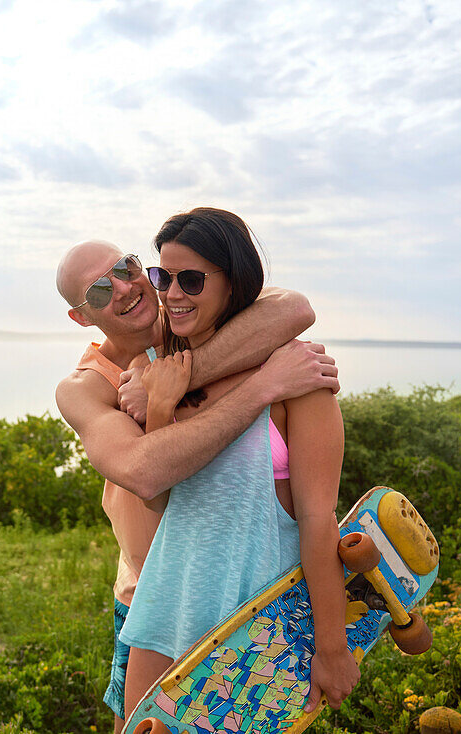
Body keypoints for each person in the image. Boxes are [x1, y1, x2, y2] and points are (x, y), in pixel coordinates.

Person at [54, 239, 340, 734]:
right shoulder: (86, 387)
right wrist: (259, 387)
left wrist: (172, 381)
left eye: (126, 267)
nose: (124, 287)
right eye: (99, 291)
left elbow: (294, 308)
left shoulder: (188, 317)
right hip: (150, 592)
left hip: (244, 593)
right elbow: (147, 474)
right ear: (82, 317)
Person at [117, 207, 360, 722]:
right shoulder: (163, 374)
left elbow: (319, 520)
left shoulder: (297, 376)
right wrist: (161, 406)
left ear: (234, 284)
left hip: (253, 622)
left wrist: (332, 646)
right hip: (167, 604)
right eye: (164, 277)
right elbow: (159, 500)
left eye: (192, 279)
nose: (172, 294)